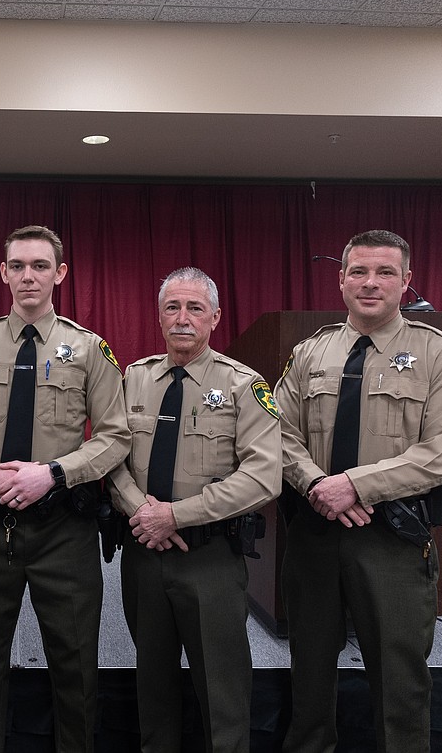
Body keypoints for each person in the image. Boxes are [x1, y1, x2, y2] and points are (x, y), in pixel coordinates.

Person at [274, 230, 442, 753]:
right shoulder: (310, 352)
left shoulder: (441, 356)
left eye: (385, 272)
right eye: (359, 271)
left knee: (400, 680)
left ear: (406, 282)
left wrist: (354, 485)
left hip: (392, 537)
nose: (371, 283)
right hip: (315, 532)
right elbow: (274, 431)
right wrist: (318, 484)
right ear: (341, 278)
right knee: (309, 672)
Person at [0, 224, 131, 753]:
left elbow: (116, 436)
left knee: (75, 666)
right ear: (3, 273)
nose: (28, 276)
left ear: (60, 274)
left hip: (64, 529)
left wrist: (55, 473)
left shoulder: (89, 349)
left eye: (40, 266)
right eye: (17, 266)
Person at [108, 267, 281, 753]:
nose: (182, 319)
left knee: (222, 689)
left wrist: (176, 516)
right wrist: (143, 512)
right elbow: (110, 458)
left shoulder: (244, 385)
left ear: (215, 318)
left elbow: (263, 476)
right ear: (160, 315)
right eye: (172, 307)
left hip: (210, 559)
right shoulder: (134, 379)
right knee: (152, 685)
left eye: (195, 308)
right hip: (144, 553)